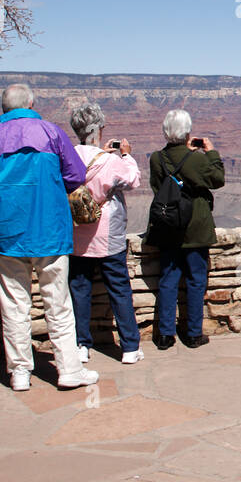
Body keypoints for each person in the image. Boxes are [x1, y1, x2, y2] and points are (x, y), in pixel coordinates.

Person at [0, 83, 97, 392]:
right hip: (50, 231)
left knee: (13, 305)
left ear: (4, 109)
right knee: (58, 303)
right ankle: (69, 369)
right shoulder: (51, 133)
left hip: (5, 235)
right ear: (31, 103)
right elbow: (76, 176)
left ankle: (19, 372)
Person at [67, 103, 143, 365]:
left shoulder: (67, 156)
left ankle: (81, 345)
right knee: (119, 288)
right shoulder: (110, 160)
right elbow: (133, 180)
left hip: (77, 234)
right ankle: (130, 347)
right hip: (108, 235)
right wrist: (126, 155)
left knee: (79, 289)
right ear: (98, 129)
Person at [150, 109, 224, 349]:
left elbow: (156, 187)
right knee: (195, 279)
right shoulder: (197, 158)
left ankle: (164, 335)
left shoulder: (156, 158)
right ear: (188, 132)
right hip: (195, 226)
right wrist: (211, 152)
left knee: (168, 279)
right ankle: (193, 334)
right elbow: (218, 179)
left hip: (168, 224)